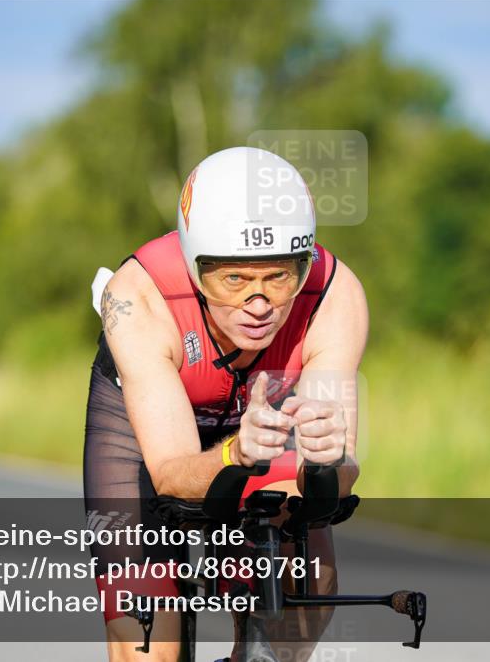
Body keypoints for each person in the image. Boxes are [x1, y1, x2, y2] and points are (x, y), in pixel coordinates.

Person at [83, 146, 367, 661]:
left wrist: (327, 460)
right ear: (194, 269)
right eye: (233, 278)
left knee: (303, 584)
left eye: (278, 276)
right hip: (147, 427)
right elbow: (170, 473)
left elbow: (340, 476)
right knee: (146, 644)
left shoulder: (334, 293)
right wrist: (236, 455)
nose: (258, 305)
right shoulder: (137, 298)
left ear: (304, 265)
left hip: (262, 421)